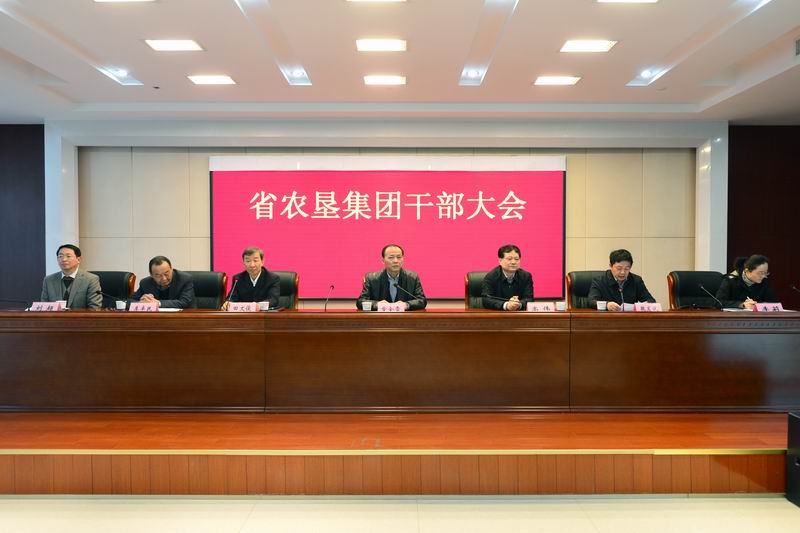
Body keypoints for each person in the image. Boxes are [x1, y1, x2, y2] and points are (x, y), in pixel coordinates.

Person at [356, 244, 427, 311]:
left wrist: (406, 305)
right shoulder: (371, 278)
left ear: (403, 259)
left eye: (399, 257)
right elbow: (360, 302)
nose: (396, 261)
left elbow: (422, 301)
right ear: (383, 260)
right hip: (380, 318)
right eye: (391, 257)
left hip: (404, 318)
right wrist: (377, 304)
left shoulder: (412, 277)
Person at [588, 249, 655, 311]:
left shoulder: (636, 281)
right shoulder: (599, 281)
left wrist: (641, 306)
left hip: (630, 318)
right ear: (610, 266)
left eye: (626, 269)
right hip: (608, 318)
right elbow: (591, 301)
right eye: (619, 268)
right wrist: (607, 304)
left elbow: (651, 301)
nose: (623, 272)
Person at [40, 244, 102, 309]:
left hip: (81, 316)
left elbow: (94, 308)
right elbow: (44, 307)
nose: (64, 259)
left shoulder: (91, 279)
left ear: (78, 259)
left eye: (68, 256)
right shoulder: (48, 280)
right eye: (60, 256)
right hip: (55, 316)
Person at [481, 244, 534, 311]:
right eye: (509, 259)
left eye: (516, 259)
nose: (513, 262)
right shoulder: (491, 277)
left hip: (519, 315)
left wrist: (518, 305)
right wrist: (506, 305)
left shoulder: (526, 276)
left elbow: (529, 299)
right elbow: (486, 300)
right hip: (498, 315)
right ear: (500, 261)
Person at [130, 256, 196, 309]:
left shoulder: (184, 279)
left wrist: (158, 303)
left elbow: (184, 302)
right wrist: (141, 302)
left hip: (184, 318)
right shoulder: (145, 283)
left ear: (171, 269)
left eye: (166, 273)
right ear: (151, 274)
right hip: (156, 319)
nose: (164, 278)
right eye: (158, 275)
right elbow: (130, 302)